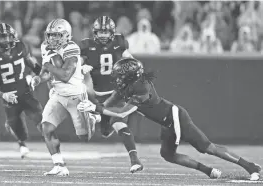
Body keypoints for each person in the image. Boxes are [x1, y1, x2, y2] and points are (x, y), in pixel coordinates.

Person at [78, 57, 262, 181]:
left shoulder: (142, 86)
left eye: (120, 76)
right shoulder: (124, 88)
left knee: (207, 148)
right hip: (165, 124)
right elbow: (107, 105)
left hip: (176, 117)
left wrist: (96, 108)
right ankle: (209, 171)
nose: (117, 80)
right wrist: (92, 104)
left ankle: (251, 167)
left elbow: (122, 113)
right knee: (167, 154)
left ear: (130, 76)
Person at [31, 19, 101, 176]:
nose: (52, 39)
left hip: (76, 96)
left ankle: (92, 117)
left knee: (84, 137)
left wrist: (49, 66)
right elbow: (46, 72)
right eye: (50, 35)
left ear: (66, 35)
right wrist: (38, 78)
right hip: (58, 95)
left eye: (57, 35)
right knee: (46, 128)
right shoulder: (45, 46)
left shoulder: (71, 48)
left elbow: (65, 75)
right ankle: (59, 165)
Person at [79, 16, 143, 173]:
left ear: (112, 33)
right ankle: (99, 117)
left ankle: (135, 160)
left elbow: (130, 59)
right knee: (106, 132)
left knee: (119, 123)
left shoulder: (119, 43)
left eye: (106, 32)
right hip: (100, 96)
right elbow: (75, 67)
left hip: (118, 92)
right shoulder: (87, 46)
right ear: (95, 32)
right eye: (100, 32)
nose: (102, 35)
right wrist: (80, 69)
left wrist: (133, 67)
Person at [0, 23, 43, 158]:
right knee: (19, 130)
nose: (7, 41)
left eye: (9, 37)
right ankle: (21, 143)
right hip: (8, 95)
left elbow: (34, 66)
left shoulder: (21, 46)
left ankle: (53, 149)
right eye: (3, 38)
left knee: (41, 119)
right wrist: (2, 95)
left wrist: (37, 76)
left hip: (25, 91)